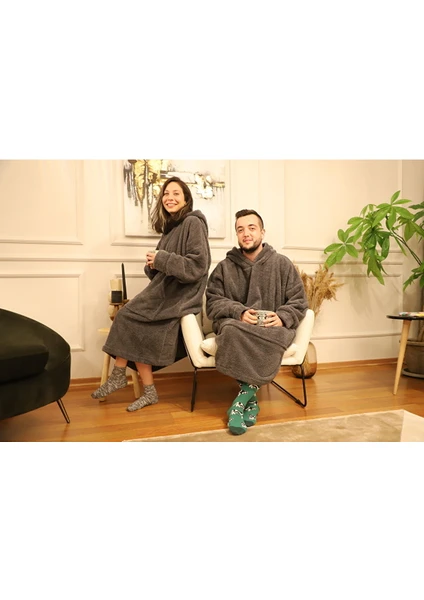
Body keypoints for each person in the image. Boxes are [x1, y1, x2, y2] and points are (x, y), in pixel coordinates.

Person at [92, 176, 211, 411]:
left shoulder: (193, 223)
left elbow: (198, 266)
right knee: (138, 330)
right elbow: (164, 270)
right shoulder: (170, 229)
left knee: (125, 316)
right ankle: (149, 392)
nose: (170, 198)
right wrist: (154, 265)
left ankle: (118, 374)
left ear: (186, 199)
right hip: (166, 292)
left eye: (176, 193)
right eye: (166, 194)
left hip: (181, 295)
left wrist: (162, 259)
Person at [206, 209, 308, 435]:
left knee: (277, 336)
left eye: (251, 228)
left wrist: (282, 316)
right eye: (240, 229)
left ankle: (240, 402)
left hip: (271, 329)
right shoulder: (224, 267)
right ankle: (250, 402)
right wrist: (238, 311)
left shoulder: (282, 264)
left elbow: (299, 301)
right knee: (230, 330)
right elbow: (212, 302)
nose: (246, 234)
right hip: (238, 326)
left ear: (262, 232)